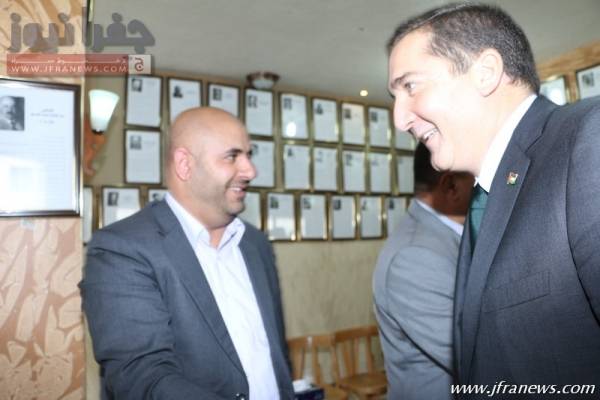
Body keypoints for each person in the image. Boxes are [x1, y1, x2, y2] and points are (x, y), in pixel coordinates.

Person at [387, 2, 600, 391]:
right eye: (395, 96)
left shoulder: (588, 140)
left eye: (411, 86)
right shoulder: (487, 194)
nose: (399, 119)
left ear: (484, 73)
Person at [80, 107, 294, 400]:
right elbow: (143, 379)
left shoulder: (256, 244)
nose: (250, 171)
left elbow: (274, 355)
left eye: (249, 155)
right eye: (232, 156)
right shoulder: (122, 250)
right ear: (184, 164)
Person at [373, 143, 473, 399]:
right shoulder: (415, 256)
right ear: (451, 186)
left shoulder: (447, 237)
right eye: (476, 174)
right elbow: (475, 356)